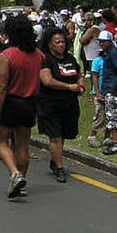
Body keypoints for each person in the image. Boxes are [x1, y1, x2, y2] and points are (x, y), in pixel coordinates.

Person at [0, 16, 44, 198]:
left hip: (12, 102)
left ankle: (15, 173)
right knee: (22, 146)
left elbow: (2, 86)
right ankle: (21, 181)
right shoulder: (38, 55)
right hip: (30, 102)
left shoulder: (7, 55)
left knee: (1, 141)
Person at [37, 29, 83, 183]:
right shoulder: (46, 60)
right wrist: (68, 87)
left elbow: (78, 74)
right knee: (55, 136)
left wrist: (80, 84)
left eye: (63, 42)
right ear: (49, 44)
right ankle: (59, 167)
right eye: (57, 42)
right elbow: (47, 81)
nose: (61, 45)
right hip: (50, 104)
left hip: (69, 105)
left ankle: (55, 159)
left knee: (62, 136)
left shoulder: (70, 59)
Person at [98, 31, 117, 155]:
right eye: (100, 41)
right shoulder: (107, 54)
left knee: (115, 116)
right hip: (110, 88)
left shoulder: (113, 54)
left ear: (109, 42)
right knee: (114, 115)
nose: (101, 44)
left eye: (103, 41)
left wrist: (113, 86)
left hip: (114, 90)